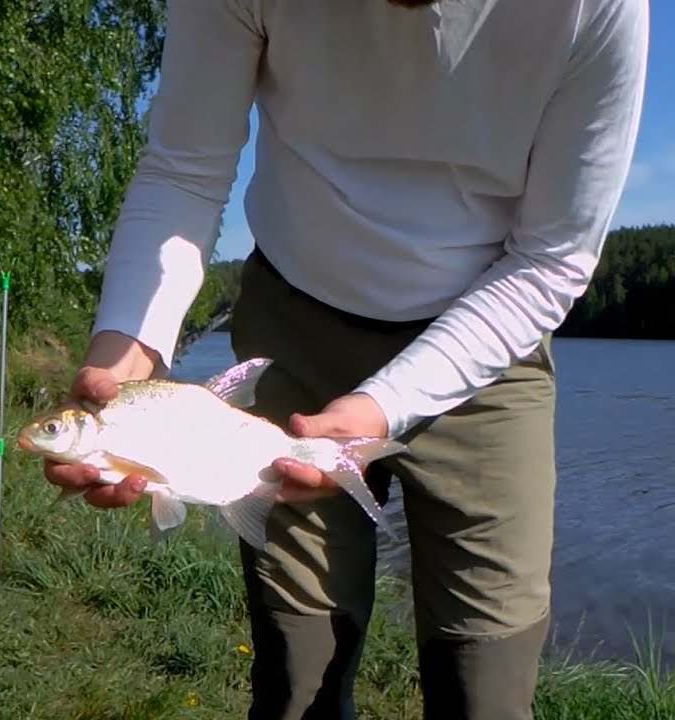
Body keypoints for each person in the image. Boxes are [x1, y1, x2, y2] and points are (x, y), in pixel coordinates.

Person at [44, 1, 649, 719]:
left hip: (492, 343)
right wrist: (127, 356)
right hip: (292, 330)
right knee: (300, 681)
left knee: (486, 685)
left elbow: (552, 258)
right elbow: (184, 169)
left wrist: (374, 409)